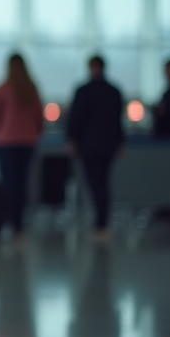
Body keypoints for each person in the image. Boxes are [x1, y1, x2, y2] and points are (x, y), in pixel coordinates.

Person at [0, 54, 44, 241]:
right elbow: (39, 118)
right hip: (27, 142)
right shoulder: (31, 89)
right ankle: (19, 225)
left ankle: (9, 221)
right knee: (22, 183)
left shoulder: (2, 90)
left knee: (8, 183)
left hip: (6, 142)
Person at [67, 56, 124, 240]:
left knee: (94, 183)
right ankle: (103, 221)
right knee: (104, 182)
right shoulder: (113, 91)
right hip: (108, 145)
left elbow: (75, 118)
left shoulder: (83, 91)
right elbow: (118, 121)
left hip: (89, 145)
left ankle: (99, 221)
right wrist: (120, 141)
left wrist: (72, 139)